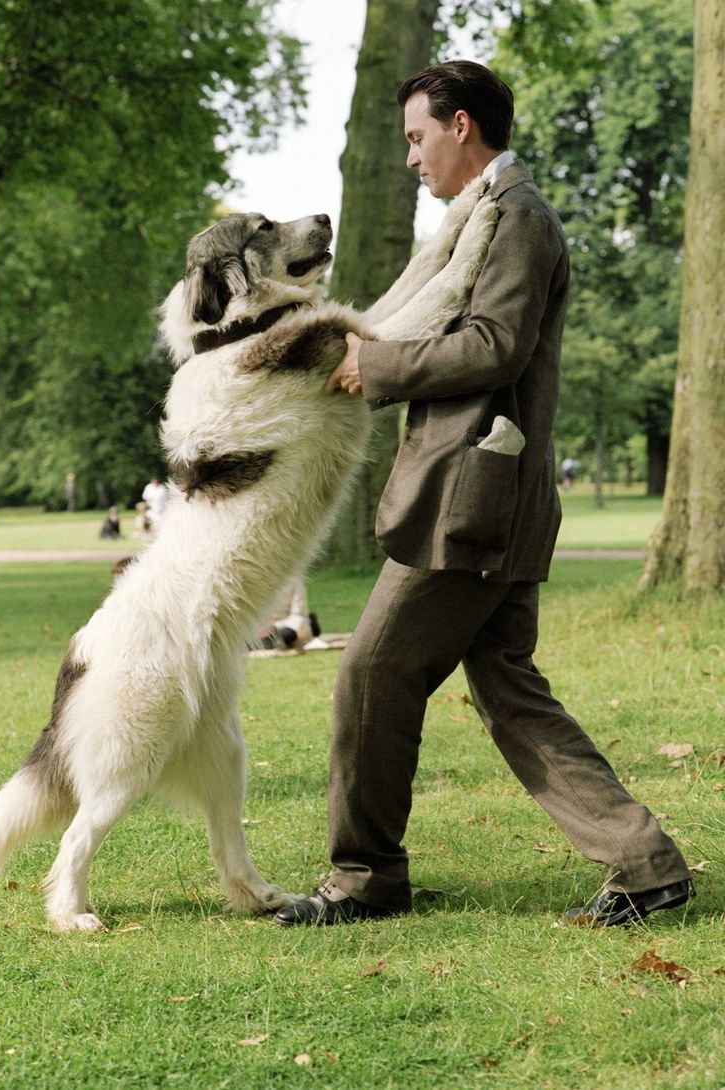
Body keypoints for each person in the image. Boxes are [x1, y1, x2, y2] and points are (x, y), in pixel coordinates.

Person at [274, 60, 693, 928]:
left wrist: (375, 362)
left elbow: (496, 346)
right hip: (481, 491)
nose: (410, 160)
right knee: (507, 687)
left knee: (373, 671)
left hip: (477, 501)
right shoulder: (482, 221)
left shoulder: (519, 218)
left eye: (418, 138)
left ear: (462, 127)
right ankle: (646, 866)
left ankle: (365, 878)